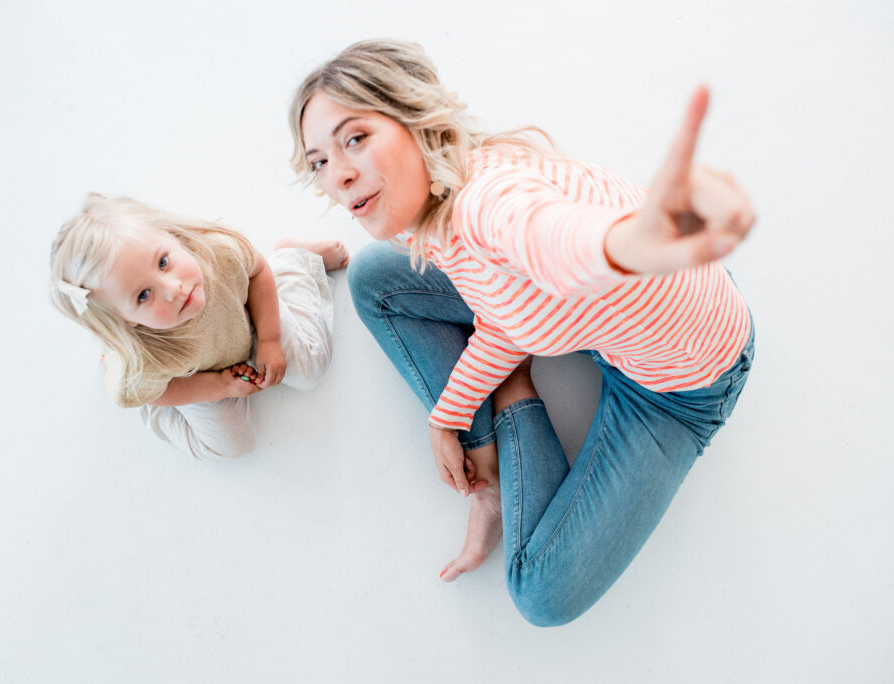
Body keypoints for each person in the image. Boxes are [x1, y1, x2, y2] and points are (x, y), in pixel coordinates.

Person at [290, 40, 755, 626]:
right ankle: (487, 463)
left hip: (677, 387)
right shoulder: (438, 204)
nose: (339, 176)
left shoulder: (489, 203)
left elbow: (553, 239)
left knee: (540, 594)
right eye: (319, 161)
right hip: (596, 315)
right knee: (374, 277)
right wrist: (450, 416)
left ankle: (513, 392)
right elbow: (508, 304)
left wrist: (623, 244)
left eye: (354, 138)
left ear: (412, 117)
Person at [50, 194, 348, 462]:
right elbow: (161, 392)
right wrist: (221, 386)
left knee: (310, 370)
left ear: (170, 236)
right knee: (233, 445)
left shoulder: (219, 253)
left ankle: (292, 258)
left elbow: (257, 271)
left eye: (164, 262)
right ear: (128, 320)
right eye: (143, 295)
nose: (173, 289)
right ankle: (148, 404)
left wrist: (270, 340)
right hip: (193, 374)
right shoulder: (144, 358)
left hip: (244, 318)